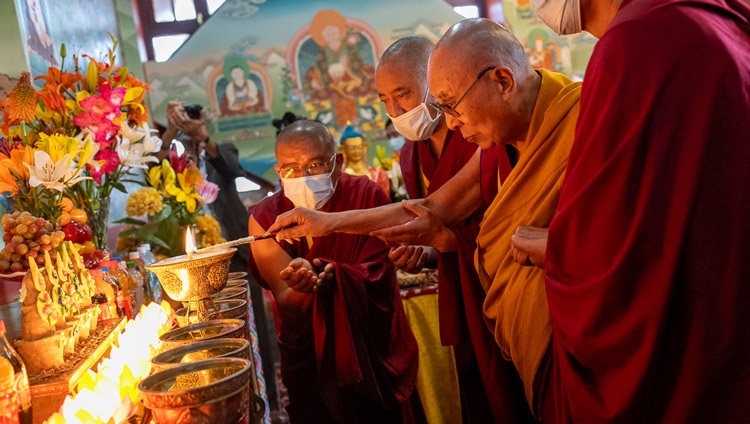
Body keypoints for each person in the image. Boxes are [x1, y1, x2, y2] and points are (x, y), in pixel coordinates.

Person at [269, 19, 581, 421]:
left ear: (503, 81)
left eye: (450, 103)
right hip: (528, 320)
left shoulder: (583, 115)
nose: (450, 121)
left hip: (579, 316)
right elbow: (431, 209)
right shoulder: (490, 146)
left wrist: (554, 245)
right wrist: (325, 222)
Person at [510, 0, 750, 421]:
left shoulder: (631, 44)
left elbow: (611, 246)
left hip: (694, 338)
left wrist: (560, 250)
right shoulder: (719, 13)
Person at [375, 36, 531, 423]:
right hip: (463, 289)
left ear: (433, 80)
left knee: (519, 390)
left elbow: (512, 219)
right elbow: (435, 226)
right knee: (479, 389)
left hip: (509, 279)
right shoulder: (411, 154)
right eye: (384, 101)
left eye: (403, 94)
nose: (396, 110)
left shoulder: (487, 134)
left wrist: (445, 240)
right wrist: (427, 250)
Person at [247, 120, 419, 424]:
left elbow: (379, 273)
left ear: (337, 163)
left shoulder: (365, 195)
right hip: (309, 352)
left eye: (314, 165)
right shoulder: (264, 219)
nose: (302, 176)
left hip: (370, 347)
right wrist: (302, 283)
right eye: (291, 169)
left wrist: (336, 276)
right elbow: (286, 297)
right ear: (278, 172)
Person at [158, 101, 250, 274]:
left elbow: (232, 169)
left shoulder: (223, 151)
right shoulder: (176, 163)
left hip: (233, 245)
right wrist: (170, 131)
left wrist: (204, 139)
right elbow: (154, 170)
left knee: (243, 297)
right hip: (194, 250)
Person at [339, 125, 390, 196]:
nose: (356, 151)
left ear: (364, 148)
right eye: (351, 148)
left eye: (359, 147)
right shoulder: (339, 177)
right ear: (343, 150)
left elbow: (386, 202)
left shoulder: (379, 174)